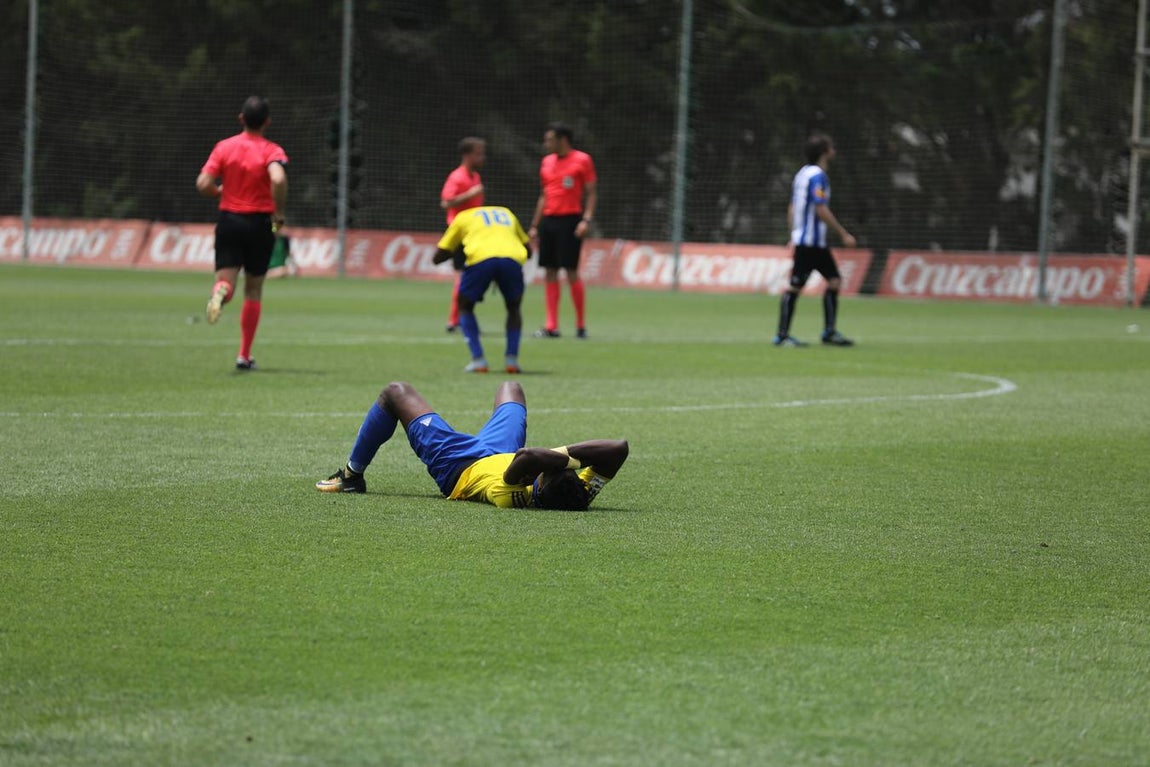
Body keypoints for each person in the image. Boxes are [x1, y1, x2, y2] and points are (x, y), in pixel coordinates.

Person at [316, 380, 629, 511]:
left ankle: (351, 476)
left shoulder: (515, 496)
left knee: (395, 392)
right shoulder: (580, 494)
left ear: (539, 485)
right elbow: (619, 447)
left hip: (459, 466)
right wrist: (566, 467)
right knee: (511, 387)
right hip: (500, 450)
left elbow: (527, 457)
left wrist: (571, 461)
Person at [196, 95, 289, 370]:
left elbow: (203, 183)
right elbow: (279, 178)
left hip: (229, 221)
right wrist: (279, 213)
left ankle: (221, 291)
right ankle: (244, 355)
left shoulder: (225, 147)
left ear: (241, 119)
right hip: (259, 223)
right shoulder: (271, 150)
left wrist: (218, 191)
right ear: (267, 122)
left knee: (228, 282)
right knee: (253, 290)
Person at [774, 133, 856, 348]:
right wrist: (842, 233)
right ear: (825, 152)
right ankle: (782, 336)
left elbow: (792, 207)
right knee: (795, 286)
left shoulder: (801, 174)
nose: (834, 151)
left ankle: (829, 332)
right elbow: (820, 208)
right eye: (831, 147)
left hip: (811, 242)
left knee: (834, 281)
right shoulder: (818, 176)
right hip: (810, 242)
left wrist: (793, 233)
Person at [432, 205, 530, 373]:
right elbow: (529, 249)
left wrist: (445, 257)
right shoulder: (506, 212)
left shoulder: (462, 216)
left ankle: (478, 360)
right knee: (513, 308)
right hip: (512, 259)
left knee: (464, 306)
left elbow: (441, 253)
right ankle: (511, 361)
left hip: (480, 259)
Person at [527, 122, 597, 339]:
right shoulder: (546, 162)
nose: (546, 144)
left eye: (549, 139)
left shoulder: (582, 160)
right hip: (549, 220)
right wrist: (535, 225)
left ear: (562, 140)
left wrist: (586, 220)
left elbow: (592, 193)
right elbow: (544, 195)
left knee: (571, 271)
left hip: (571, 221)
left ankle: (580, 325)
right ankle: (551, 325)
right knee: (550, 271)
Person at [440, 137, 486, 333]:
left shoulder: (475, 176)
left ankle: (462, 318)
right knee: (463, 275)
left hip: (474, 232)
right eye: (478, 153)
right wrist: (471, 194)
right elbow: (446, 202)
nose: (482, 157)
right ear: (467, 155)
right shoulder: (457, 177)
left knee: (470, 275)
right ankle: (454, 320)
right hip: (459, 232)